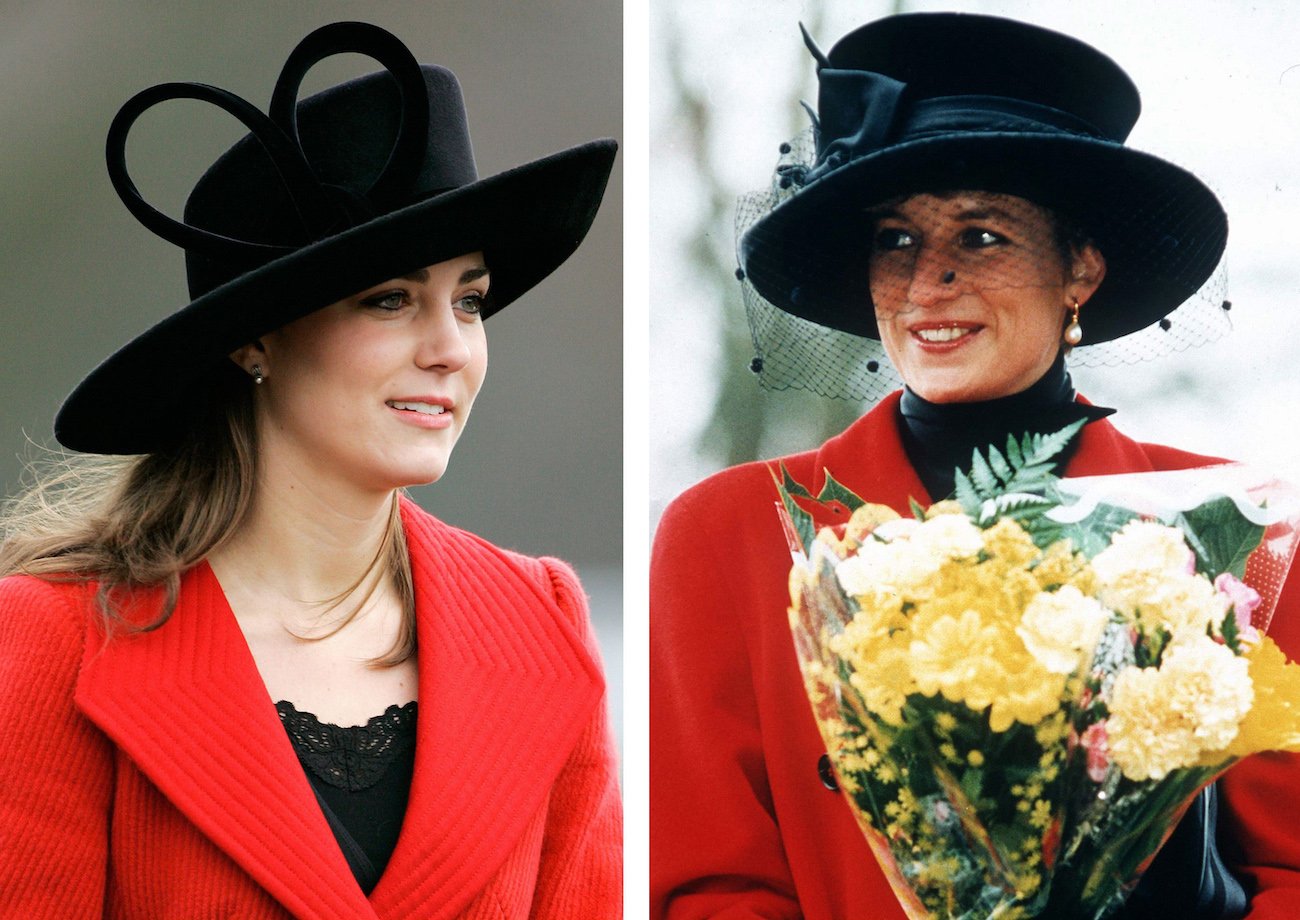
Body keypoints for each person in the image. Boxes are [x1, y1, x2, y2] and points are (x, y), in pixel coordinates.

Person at [651, 12, 1300, 919]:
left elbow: (1291, 877)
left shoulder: (1234, 532)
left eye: (982, 237)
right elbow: (710, 887)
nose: (925, 284)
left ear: (1080, 272)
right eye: (894, 239)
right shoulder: (730, 529)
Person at [0, 21, 619, 919]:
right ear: (256, 338)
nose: (451, 349)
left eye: (471, 301)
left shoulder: (542, 624)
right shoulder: (54, 642)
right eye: (391, 299)